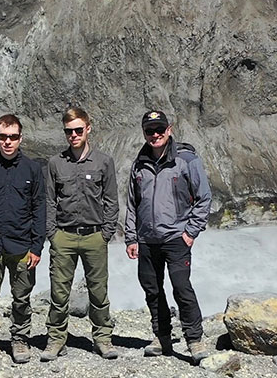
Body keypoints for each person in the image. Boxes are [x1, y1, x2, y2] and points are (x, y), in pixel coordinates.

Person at [124, 110, 212, 364]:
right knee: (152, 290)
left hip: (176, 238)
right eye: (150, 131)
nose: (155, 135)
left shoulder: (186, 159)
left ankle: (194, 339)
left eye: (159, 129)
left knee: (181, 288)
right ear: (144, 133)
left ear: (169, 129)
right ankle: (161, 336)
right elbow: (132, 203)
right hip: (146, 239)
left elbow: (204, 198)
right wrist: (131, 237)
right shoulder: (138, 164)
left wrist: (190, 232)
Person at [41, 106, 119, 361]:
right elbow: (49, 201)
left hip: (94, 236)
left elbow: (111, 200)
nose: (73, 135)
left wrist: (106, 233)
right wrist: (52, 233)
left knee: (98, 291)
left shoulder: (104, 162)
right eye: (68, 131)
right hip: (63, 236)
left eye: (77, 130)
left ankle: (103, 338)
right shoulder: (55, 163)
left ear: (88, 128)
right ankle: (55, 340)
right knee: (59, 291)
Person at [0, 114, 46, 366]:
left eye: (13, 137)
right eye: (3, 136)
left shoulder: (33, 169)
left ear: (21, 138)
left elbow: (39, 209)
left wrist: (37, 247)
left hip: (22, 246)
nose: (8, 141)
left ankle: (20, 338)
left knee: (22, 298)